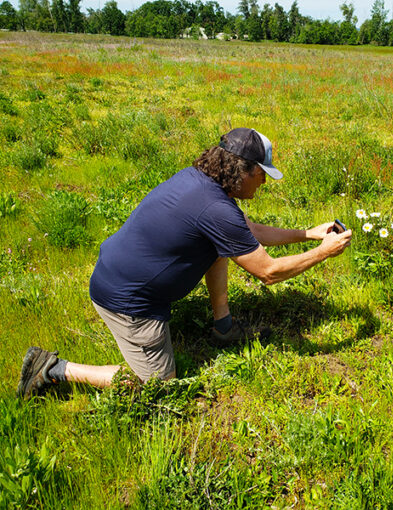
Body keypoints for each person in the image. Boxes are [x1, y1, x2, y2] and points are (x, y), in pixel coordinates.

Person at [17, 128, 352, 398]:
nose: (264, 182)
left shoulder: (200, 182)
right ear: (242, 169)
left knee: (219, 247)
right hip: (128, 302)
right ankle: (53, 369)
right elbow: (268, 272)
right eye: (262, 174)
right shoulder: (216, 209)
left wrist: (307, 234)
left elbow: (246, 232)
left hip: (117, 276)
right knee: (159, 385)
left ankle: (223, 328)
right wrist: (323, 252)